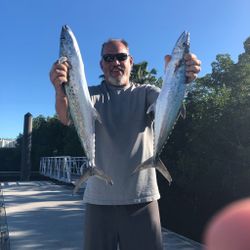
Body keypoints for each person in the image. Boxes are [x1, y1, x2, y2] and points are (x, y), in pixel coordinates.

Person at [49, 38, 201, 250]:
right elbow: (65, 118)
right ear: (101, 65)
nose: (115, 62)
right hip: (98, 202)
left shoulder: (147, 92)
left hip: (143, 199)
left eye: (121, 57)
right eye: (108, 58)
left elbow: (167, 106)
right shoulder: (88, 94)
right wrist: (59, 89)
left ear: (130, 61)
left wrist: (177, 81)